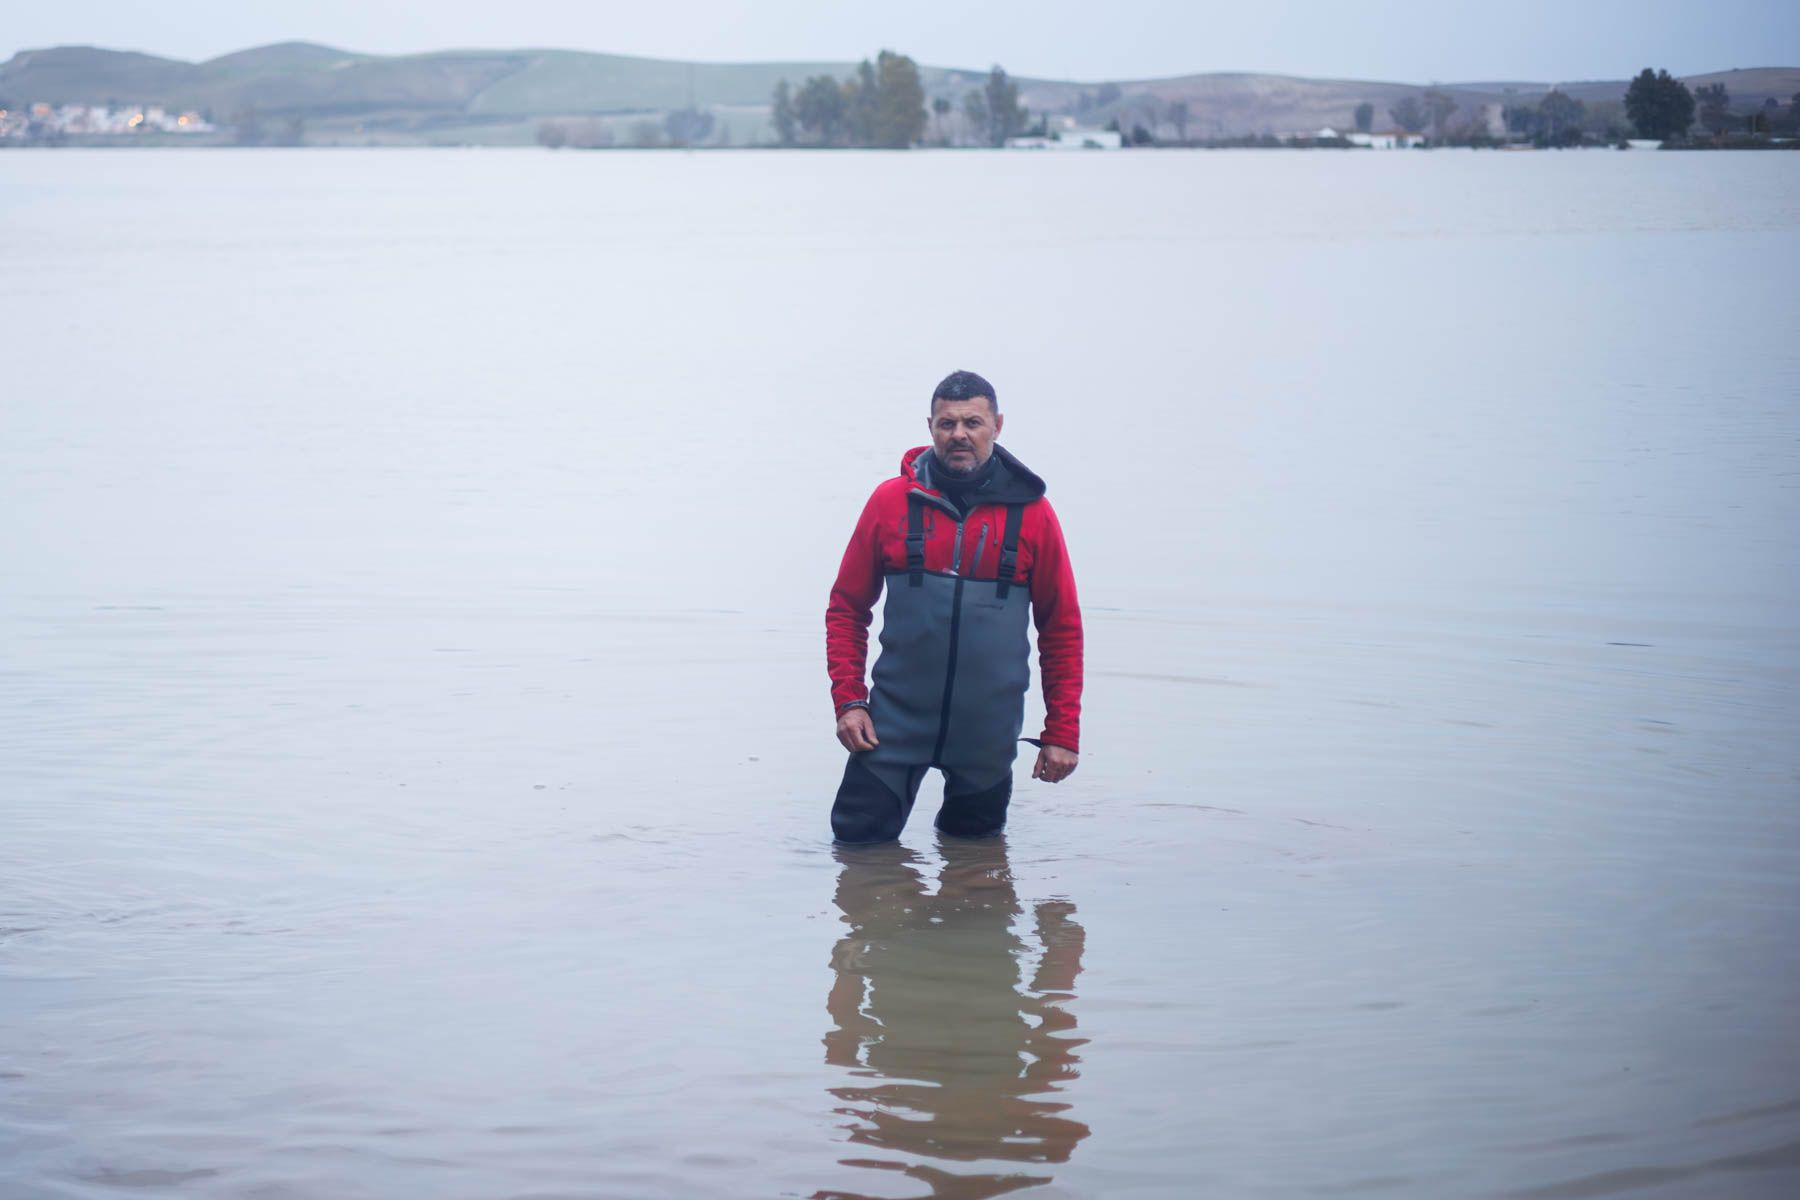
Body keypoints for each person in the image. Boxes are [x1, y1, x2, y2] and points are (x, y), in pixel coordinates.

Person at [825, 369, 1083, 844]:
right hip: (891, 729)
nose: (959, 434)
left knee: (977, 870)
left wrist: (1062, 730)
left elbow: (1061, 628)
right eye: (947, 423)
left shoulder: (1034, 515)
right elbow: (846, 607)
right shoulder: (890, 502)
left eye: (972, 422)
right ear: (930, 427)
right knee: (856, 855)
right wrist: (849, 701)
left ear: (997, 425)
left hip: (986, 737)